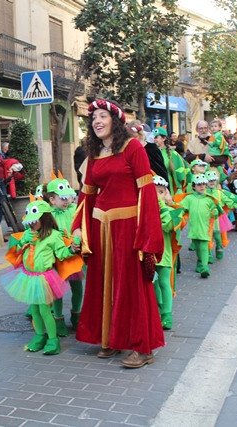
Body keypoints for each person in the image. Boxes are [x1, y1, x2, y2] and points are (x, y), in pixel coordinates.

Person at [72, 99, 164, 369]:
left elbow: (146, 192)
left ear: (116, 121)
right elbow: (86, 193)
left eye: (103, 116)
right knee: (103, 283)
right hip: (101, 228)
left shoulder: (133, 147)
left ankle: (143, 347)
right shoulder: (95, 152)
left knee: (132, 287)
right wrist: (78, 226)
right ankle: (109, 338)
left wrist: (146, 235)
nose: (97, 121)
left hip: (127, 229)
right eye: (94, 118)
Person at [2, 199, 79, 355]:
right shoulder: (28, 234)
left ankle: (52, 339)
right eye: (30, 222)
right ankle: (39, 336)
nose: (31, 225)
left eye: (35, 222)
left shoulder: (54, 235)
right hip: (28, 277)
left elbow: (61, 254)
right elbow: (15, 251)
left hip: (44, 278)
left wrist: (71, 249)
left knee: (44, 310)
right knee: (35, 310)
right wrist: (23, 241)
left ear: (44, 218)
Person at [43, 174, 84, 336]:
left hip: (74, 255)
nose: (67, 201)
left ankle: (76, 315)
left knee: (77, 287)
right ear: (52, 200)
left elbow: (82, 225)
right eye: (63, 198)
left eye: (69, 197)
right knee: (57, 290)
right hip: (57, 257)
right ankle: (58, 319)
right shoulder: (48, 214)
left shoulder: (75, 209)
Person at [152, 175, 180, 330]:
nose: (157, 195)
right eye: (153, 192)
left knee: (164, 282)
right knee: (153, 284)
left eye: (161, 192)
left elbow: (168, 226)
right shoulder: (143, 211)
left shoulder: (170, 210)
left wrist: (162, 207)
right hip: (149, 253)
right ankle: (159, 310)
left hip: (165, 253)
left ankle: (167, 315)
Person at [179, 173, 219, 278]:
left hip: (205, 228)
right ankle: (200, 262)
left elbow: (215, 210)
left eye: (203, 184)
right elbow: (181, 208)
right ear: (193, 186)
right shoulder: (189, 198)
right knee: (198, 247)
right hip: (194, 229)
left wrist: (214, 212)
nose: (202, 187)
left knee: (204, 247)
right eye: (199, 184)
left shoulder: (209, 199)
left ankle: (205, 268)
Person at [153, 127, 187, 196]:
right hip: (153, 186)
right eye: (153, 137)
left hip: (167, 185)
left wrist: (179, 188)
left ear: (164, 138)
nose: (154, 139)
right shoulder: (151, 153)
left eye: (156, 137)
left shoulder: (172, 153)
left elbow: (178, 171)